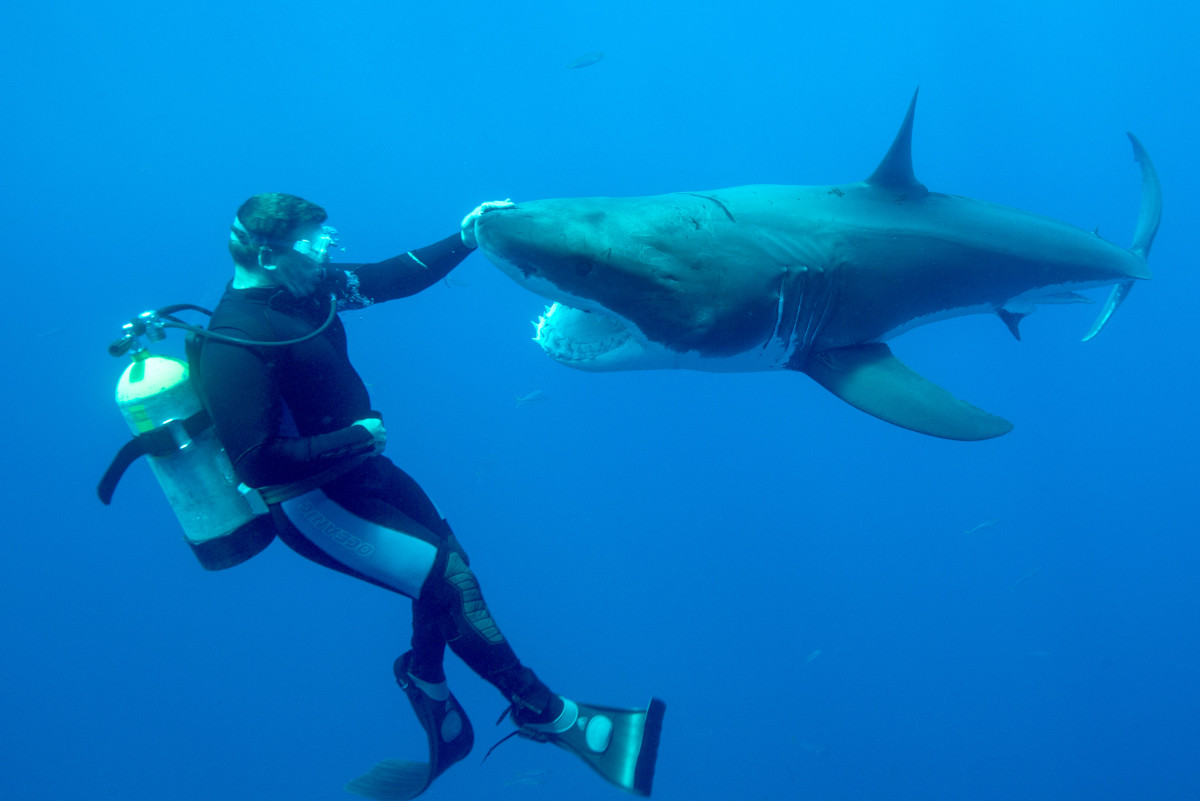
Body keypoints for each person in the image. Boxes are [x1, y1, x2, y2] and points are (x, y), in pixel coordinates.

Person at [193, 193, 663, 799]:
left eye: (325, 234)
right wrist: (352, 435)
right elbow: (254, 463)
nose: (328, 248)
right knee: (448, 584)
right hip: (312, 503)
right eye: (315, 241)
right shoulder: (234, 342)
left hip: (365, 471)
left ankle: (424, 677)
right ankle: (547, 713)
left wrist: (465, 238)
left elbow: (388, 280)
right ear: (266, 252)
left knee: (451, 568)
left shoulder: (307, 286)